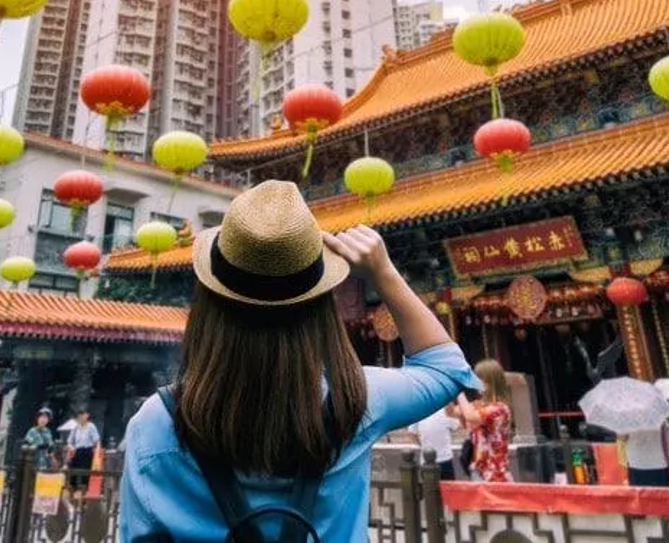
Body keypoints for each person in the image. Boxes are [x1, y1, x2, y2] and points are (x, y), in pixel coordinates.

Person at [119, 180, 480, 543]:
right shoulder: (356, 402)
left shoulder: (156, 422)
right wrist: (383, 273)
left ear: (209, 307)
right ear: (321, 309)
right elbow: (446, 368)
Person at [457, 359, 512, 483]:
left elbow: (470, 416)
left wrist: (458, 391)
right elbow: (452, 412)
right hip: (479, 470)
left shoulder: (500, 408)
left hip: (495, 472)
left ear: (489, 381)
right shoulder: (480, 405)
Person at [618, 422, 669, 487]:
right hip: (658, 461)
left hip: (636, 461)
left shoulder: (629, 419)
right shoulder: (659, 418)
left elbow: (622, 437)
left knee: (639, 491)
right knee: (661, 491)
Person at [411, 402, 462, 481]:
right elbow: (456, 426)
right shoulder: (445, 411)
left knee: (428, 487)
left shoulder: (418, 411)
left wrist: (422, 446)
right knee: (448, 487)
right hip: (444, 458)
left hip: (427, 459)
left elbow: (412, 433)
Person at [65, 410, 100, 503]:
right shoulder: (75, 427)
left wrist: (96, 452)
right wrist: (71, 447)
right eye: (79, 415)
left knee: (85, 474)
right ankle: (73, 495)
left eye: (83, 414)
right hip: (77, 451)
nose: (81, 417)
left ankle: (83, 497)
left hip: (87, 452)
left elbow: (96, 440)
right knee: (73, 474)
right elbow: (69, 441)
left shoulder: (91, 426)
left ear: (87, 415)